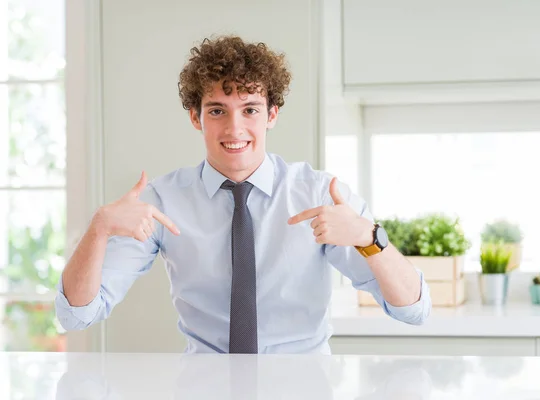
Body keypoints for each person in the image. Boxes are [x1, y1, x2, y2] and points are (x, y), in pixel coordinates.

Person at [55, 35, 431, 354]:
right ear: (195, 117)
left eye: (250, 109)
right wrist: (99, 228)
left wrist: (370, 237)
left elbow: (413, 310)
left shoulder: (319, 193)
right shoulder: (162, 202)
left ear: (271, 115)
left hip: (302, 386)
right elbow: (77, 314)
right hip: (203, 387)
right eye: (217, 110)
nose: (234, 129)